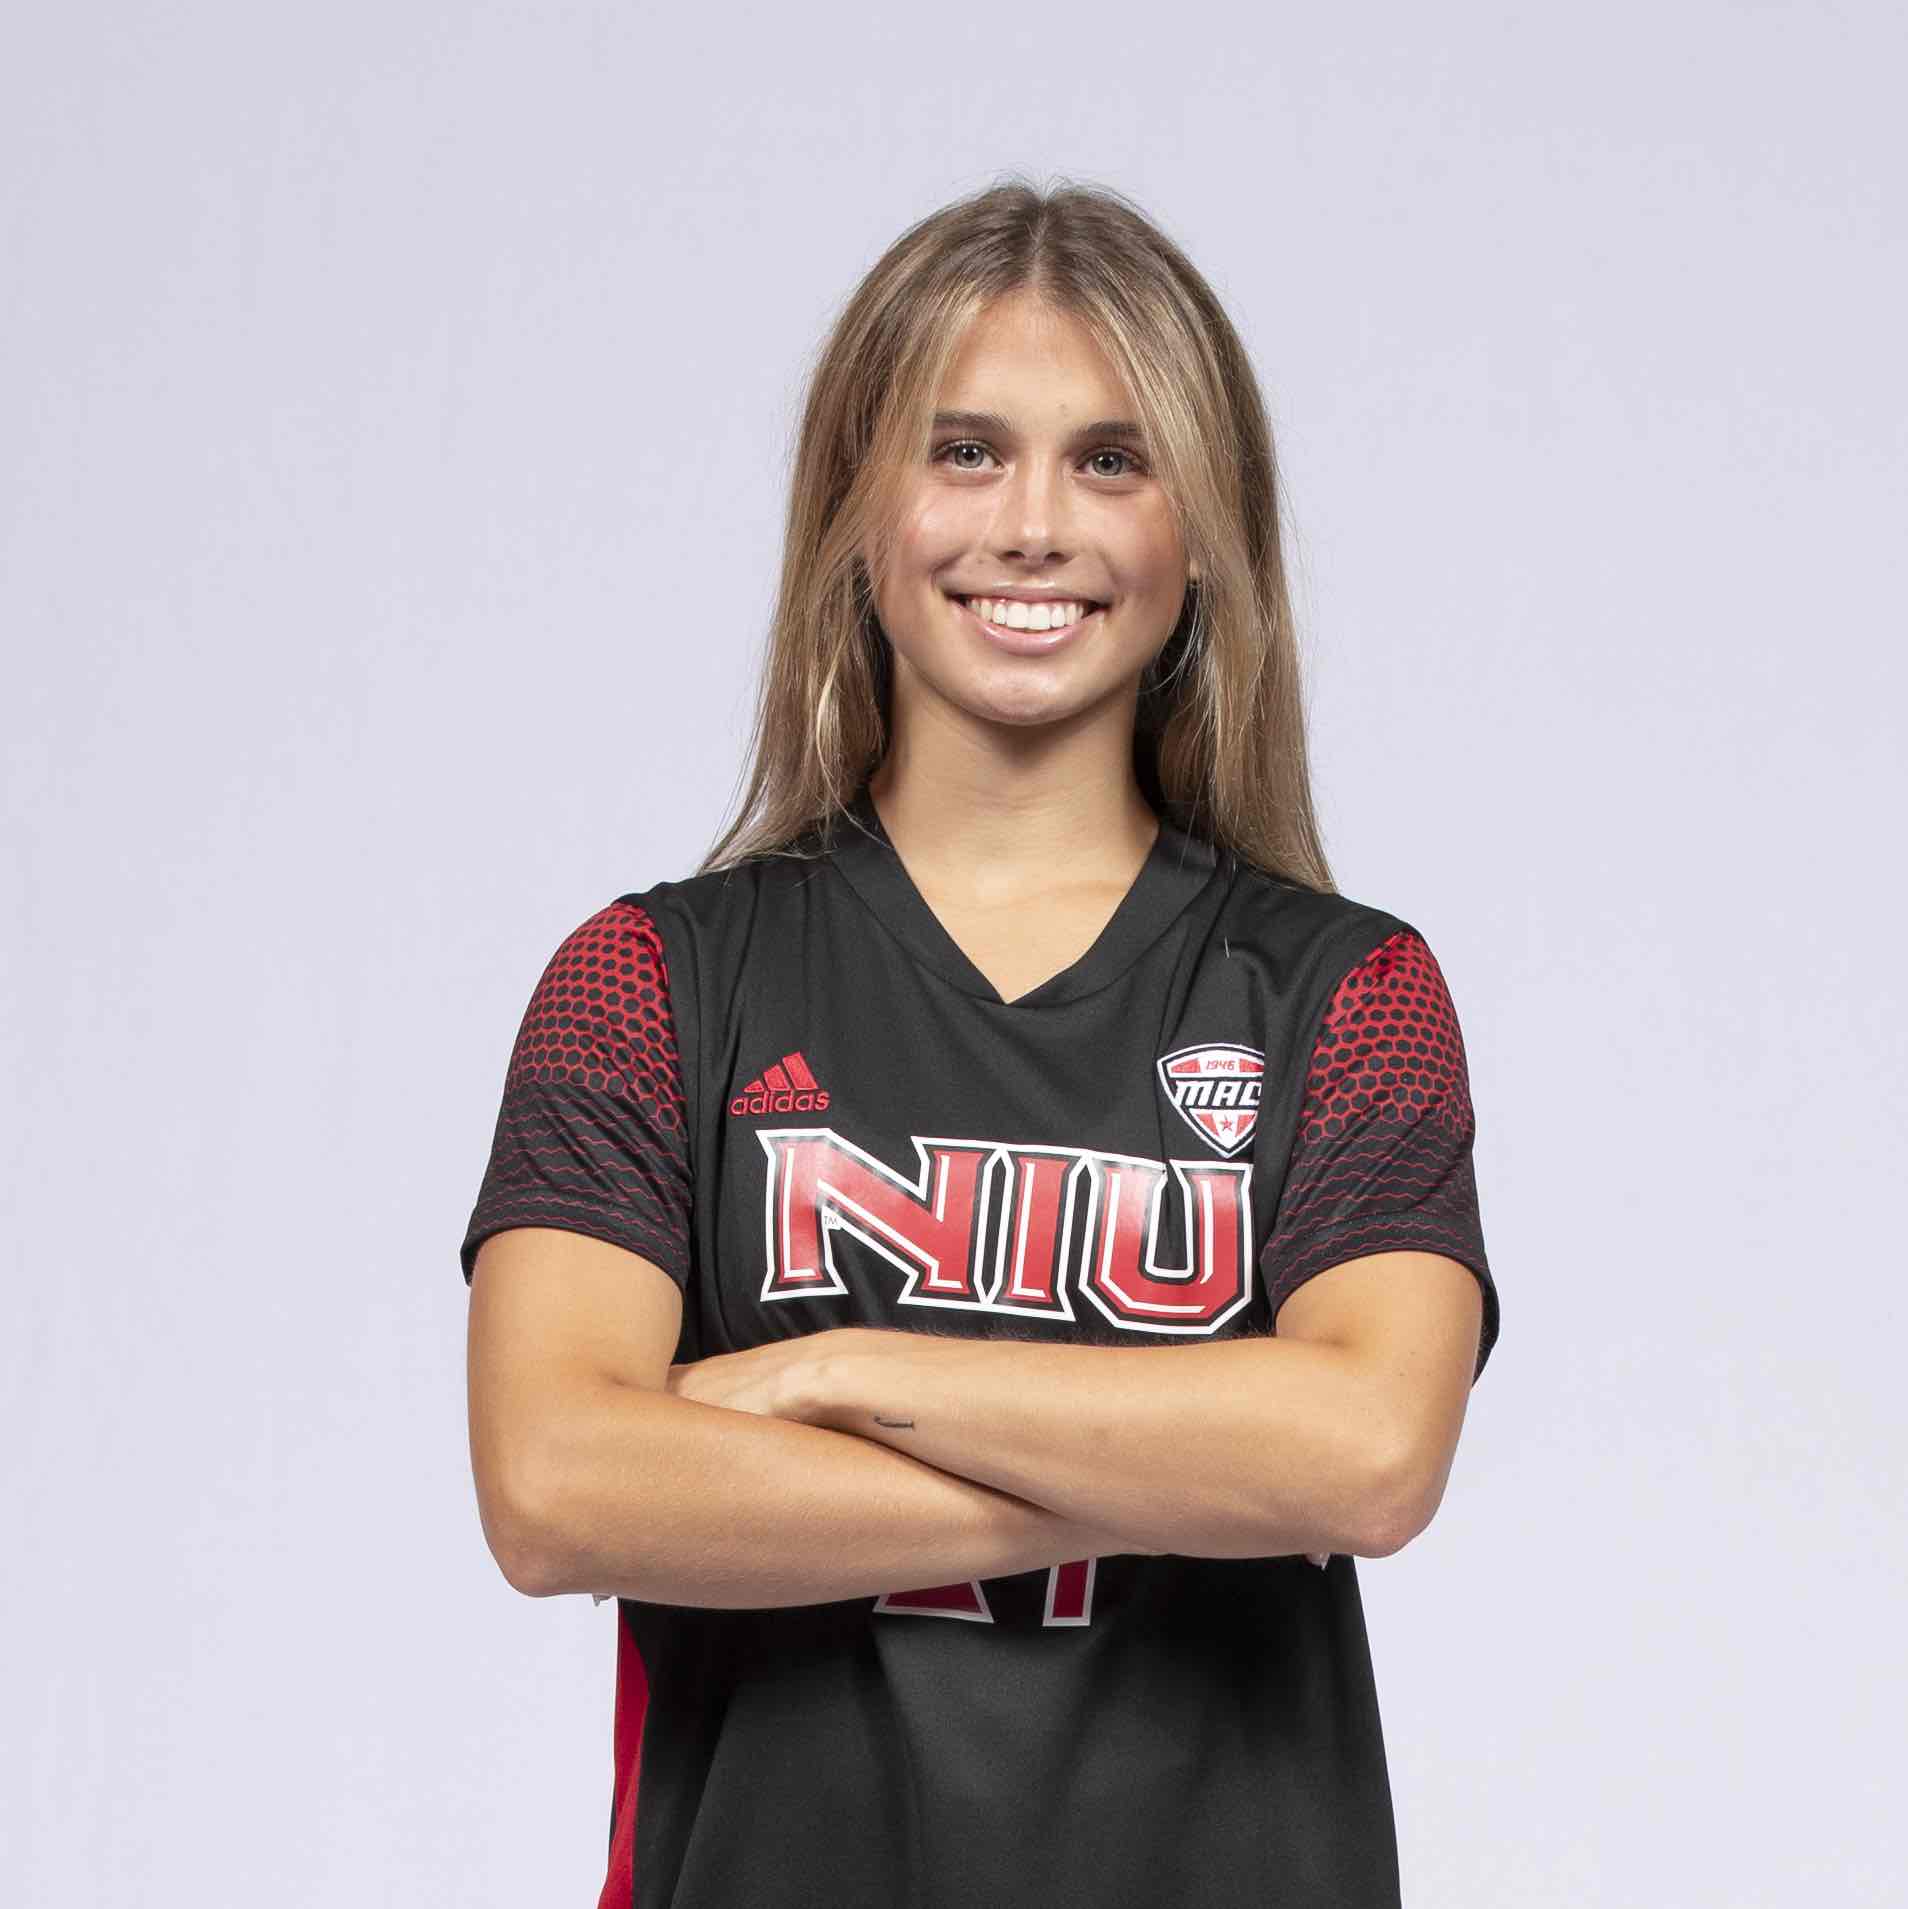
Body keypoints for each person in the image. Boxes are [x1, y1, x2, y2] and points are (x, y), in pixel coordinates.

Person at [458, 176, 1501, 1909]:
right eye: (964, 451)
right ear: (855, 510)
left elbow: (1372, 1453)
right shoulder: (651, 981)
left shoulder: (1347, 995)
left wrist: (840, 1373)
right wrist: (1188, 1478)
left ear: (1202, 527)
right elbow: (556, 1484)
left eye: (1112, 459)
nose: (1032, 524)